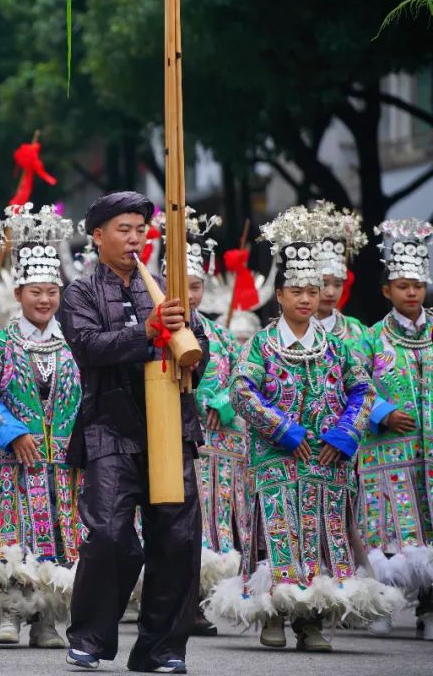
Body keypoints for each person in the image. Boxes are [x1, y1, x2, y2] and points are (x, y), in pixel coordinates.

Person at [205, 205, 399, 652]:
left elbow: (363, 390)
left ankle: (311, 620)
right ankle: (272, 612)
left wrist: (344, 434)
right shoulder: (263, 343)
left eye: (313, 291)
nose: (307, 299)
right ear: (280, 296)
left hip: (328, 460)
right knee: (277, 534)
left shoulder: (337, 345)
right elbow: (241, 392)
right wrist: (283, 430)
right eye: (298, 291)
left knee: (322, 536)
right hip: (277, 457)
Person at [58, 191, 207, 674]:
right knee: (108, 534)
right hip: (109, 428)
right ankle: (90, 638)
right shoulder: (79, 293)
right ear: (97, 236)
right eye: (123, 229)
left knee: (178, 540)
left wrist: (187, 343)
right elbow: (89, 348)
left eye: (141, 229)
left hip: (170, 425)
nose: (134, 238)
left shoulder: (167, 288)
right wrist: (144, 332)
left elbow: (195, 357)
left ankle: (161, 650)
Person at [0, 203, 82, 648]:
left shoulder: (74, 343)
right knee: (10, 536)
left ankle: (47, 619)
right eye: (36, 291)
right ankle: (9, 613)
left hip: (62, 463)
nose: (45, 299)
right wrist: (11, 430)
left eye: (52, 291)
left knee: (56, 535)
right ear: (18, 293)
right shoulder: (2, 342)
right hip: (9, 462)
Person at [360, 217, 433, 639]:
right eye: (402, 285)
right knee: (388, 533)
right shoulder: (371, 339)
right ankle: (382, 604)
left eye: (417, 285)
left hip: (430, 456)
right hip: (387, 453)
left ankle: (429, 607)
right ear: (387, 291)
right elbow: (353, 383)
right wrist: (382, 412)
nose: (411, 292)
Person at [175, 210, 247, 637]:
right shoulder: (156, 332)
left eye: (197, 286)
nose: (190, 295)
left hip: (217, 448)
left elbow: (241, 379)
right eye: (182, 287)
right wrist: (204, 395)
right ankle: (175, 599)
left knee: (214, 522)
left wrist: (224, 399)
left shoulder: (219, 337)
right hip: (178, 443)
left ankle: (202, 599)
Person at [309, 201, 372, 364]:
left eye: (337, 284)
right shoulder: (295, 328)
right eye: (324, 283)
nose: (330, 292)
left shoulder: (357, 330)